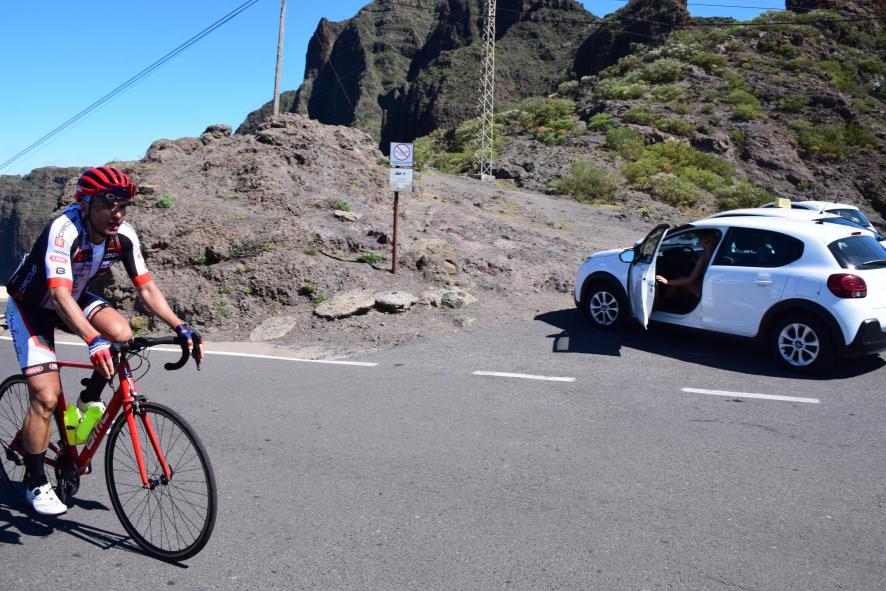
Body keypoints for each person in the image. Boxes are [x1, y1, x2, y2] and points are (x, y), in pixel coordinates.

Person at [5, 166, 203, 516]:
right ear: (85, 204)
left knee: (122, 334)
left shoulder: (123, 235)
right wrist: (93, 341)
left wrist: (180, 325)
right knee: (46, 396)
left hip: (74, 295)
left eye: (122, 206)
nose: (117, 214)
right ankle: (35, 481)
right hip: (32, 305)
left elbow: (146, 287)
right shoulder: (63, 230)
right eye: (107, 205)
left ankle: (87, 402)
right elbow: (58, 297)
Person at [655, 231, 719, 301]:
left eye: (711, 243)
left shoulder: (704, 258)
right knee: (681, 279)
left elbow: (690, 280)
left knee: (680, 279)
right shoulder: (720, 256)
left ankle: (664, 301)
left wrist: (667, 282)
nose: (709, 246)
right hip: (713, 288)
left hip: (706, 292)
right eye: (706, 243)